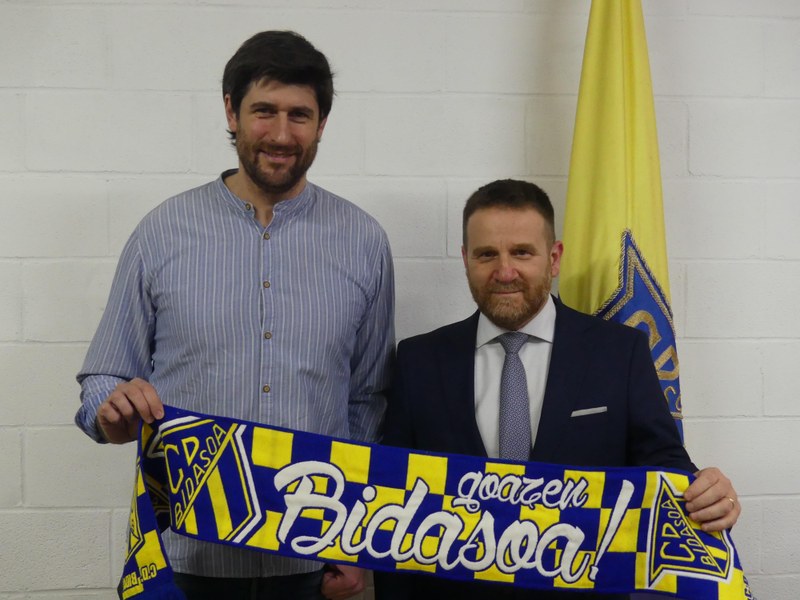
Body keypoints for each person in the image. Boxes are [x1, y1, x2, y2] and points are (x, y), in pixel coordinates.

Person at [75, 30, 394, 600]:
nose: (281, 134)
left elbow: (367, 401)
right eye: (264, 111)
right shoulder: (161, 232)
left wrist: (353, 538)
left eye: (300, 115)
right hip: (183, 558)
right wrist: (110, 409)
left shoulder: (364, 242)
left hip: (309, 559)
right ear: (231, 111)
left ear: (322, 123)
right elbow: (104, 375)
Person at [375, 179, 739, 600]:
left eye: (522, 252)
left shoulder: (619, 352)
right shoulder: (419, 359)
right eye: (486, 254)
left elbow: (664, 466)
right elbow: (392, 495)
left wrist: (708, 492)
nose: (504, 271)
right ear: (465, 259)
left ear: (554, 258)